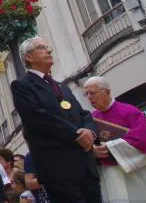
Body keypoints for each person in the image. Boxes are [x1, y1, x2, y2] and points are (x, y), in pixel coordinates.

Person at [10, 37, 101, 203]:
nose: (49, 51)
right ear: (28, 57)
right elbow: (39, 118)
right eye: (41, 48)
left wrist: (90, 132)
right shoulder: (22, 86)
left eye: (48, 47)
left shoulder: (62, 87)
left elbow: (83, 114)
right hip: (59, 169)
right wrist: (76, 135)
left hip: (85, 166)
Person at [83, 76, 146, 202]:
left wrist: (111, 147)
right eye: (86, 94)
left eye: (92, 93)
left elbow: (145, 140)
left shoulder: (130, 111)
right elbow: (88, 146)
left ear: (107, 91)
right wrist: (94, 151)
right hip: (112, 173)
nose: (89, 97)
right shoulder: (91, 119)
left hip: (138, 170)